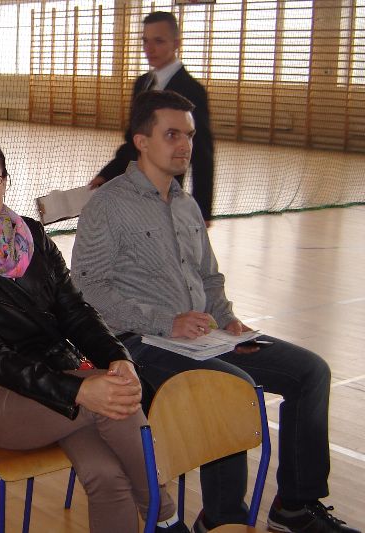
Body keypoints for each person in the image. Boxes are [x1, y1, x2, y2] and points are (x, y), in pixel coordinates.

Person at [72, 91, 359, 533]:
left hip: (203, 338)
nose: (185, 145)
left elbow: (209, 277)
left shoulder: (186, 205)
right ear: (142, 142)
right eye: (172, 135)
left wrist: (227, 319)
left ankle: (295, 507)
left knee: (311, 371)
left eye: (189, 135)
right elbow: (88, 289)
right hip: (139, 345)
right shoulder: (107, 205)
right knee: (230, 387)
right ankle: (223, 517)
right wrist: (166, 322)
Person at [0, 129, 190, 533]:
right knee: (111, 398)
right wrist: (78, 390)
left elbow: (75, 310)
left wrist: (117, 357)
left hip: (65, 383)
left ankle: (159, 518)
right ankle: (166, 517)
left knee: (106, 473)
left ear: (5, 180)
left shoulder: (32, 236)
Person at [91, 11, 214, 224]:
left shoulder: (192, 90)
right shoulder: (142, 84)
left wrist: (202, 211)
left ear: (176, 43)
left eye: (158, 41)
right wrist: (107, 174)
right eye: (145, 41)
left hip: (166, 199)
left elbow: (202, 154)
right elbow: (133, 142)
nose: (149, 49)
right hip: (133, 193)